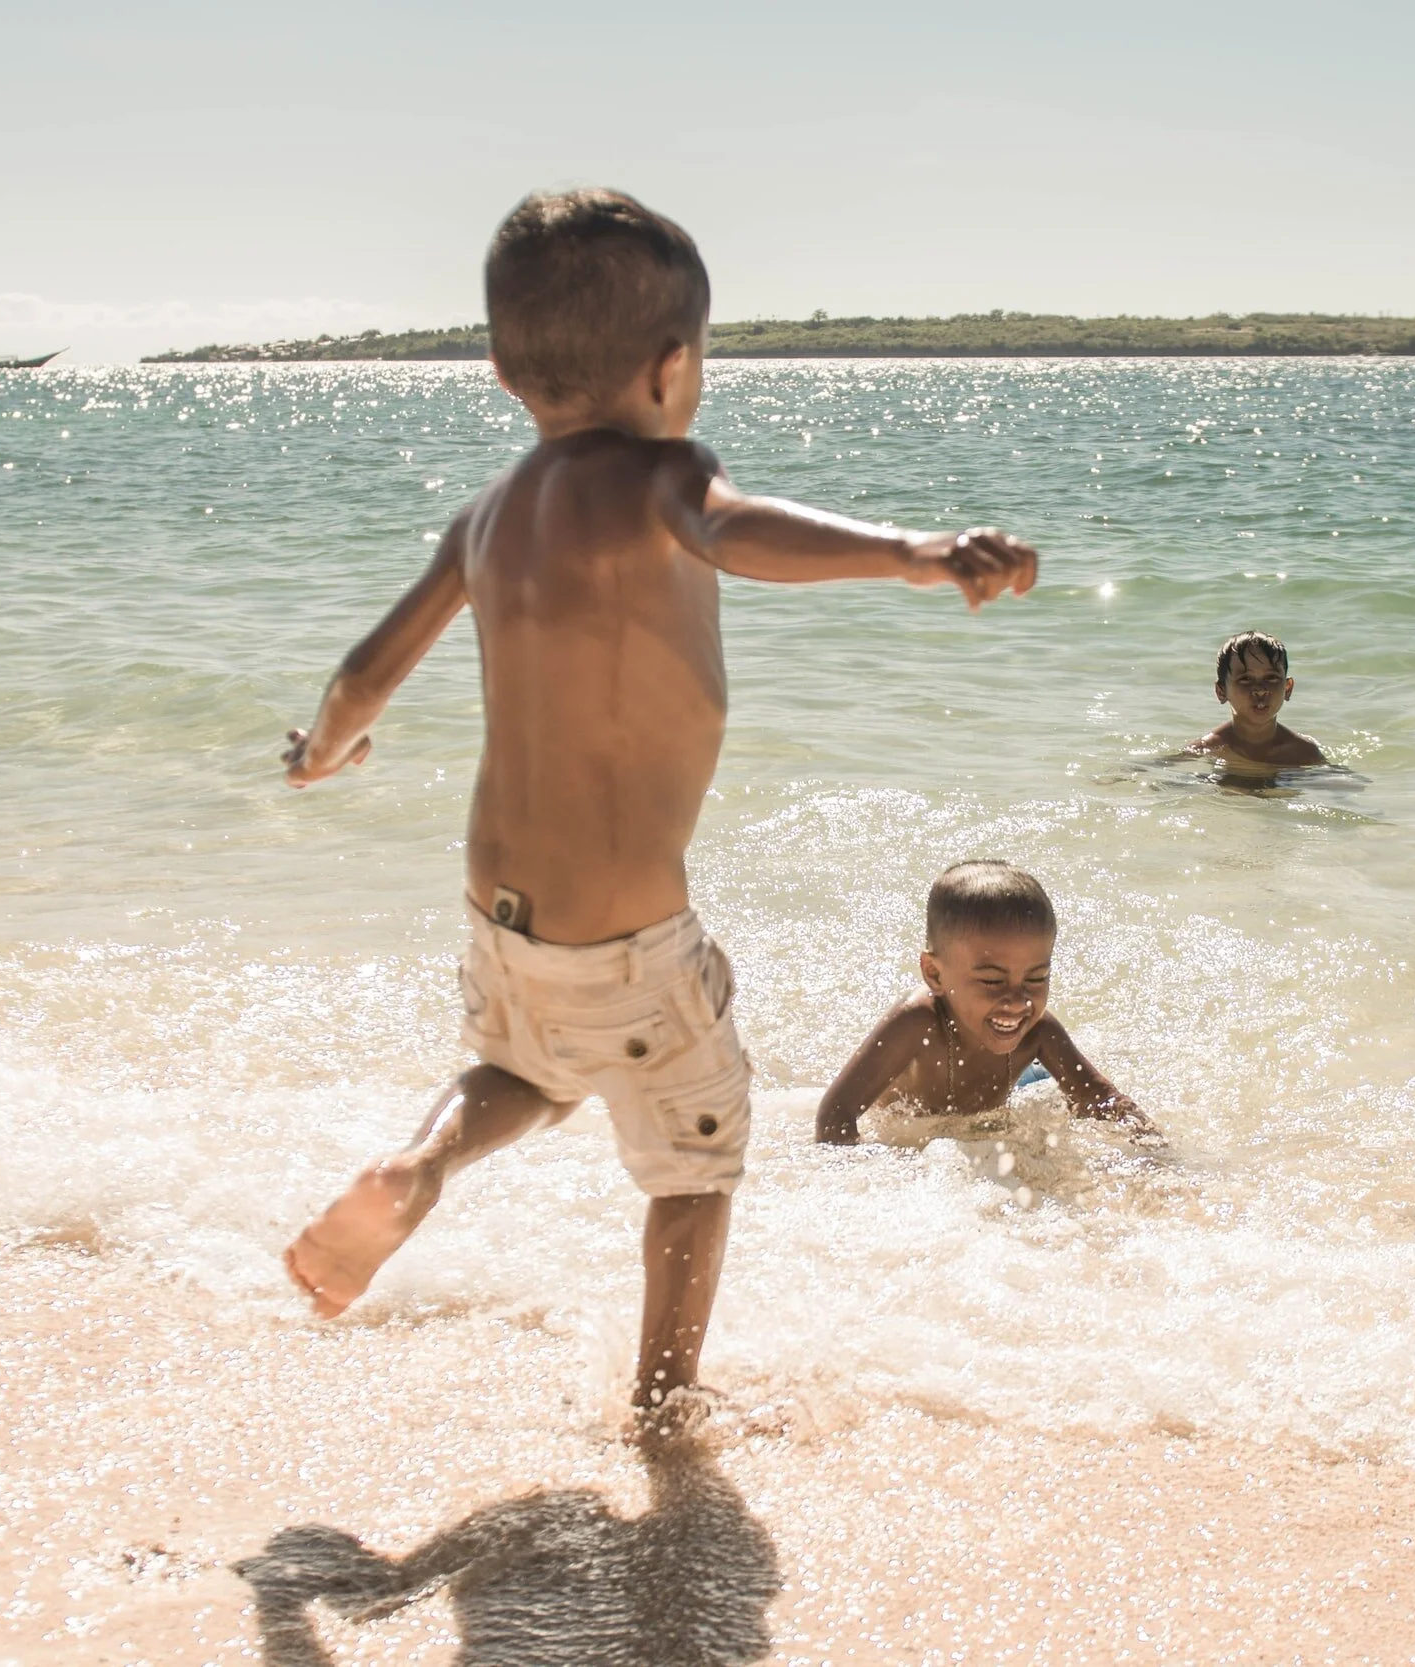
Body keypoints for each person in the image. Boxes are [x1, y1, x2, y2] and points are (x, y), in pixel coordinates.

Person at [276, 188, 1038, 1417]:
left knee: (527, 1063)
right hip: (630, 937)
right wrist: (912, 550)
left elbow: (367, 671)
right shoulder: (664, 476)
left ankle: (418, 1165)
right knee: (695, 1166)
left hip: (501, 914)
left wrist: (319, 753)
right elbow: (740, 531)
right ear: (674, 365)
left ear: (502, 371)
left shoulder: (483, 517)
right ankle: (665, 1399)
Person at [814, 860, 1157, 1147]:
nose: (1018, 1000)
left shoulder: (1038, 1031)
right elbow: (835, 1113)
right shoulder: (917, 1023)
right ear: (935, 974)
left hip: (1023, 1081)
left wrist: (1155, 1156)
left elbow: (1101, 1099)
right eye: (993, 981)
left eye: (1036, 978)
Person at [1188, 630, 1329, 774]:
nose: (1260, 690)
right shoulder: (1208, 747)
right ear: (1221, 691)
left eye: (1271, 678)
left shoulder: (1303, 751)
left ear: (1287, 688)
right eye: (1246, 679)